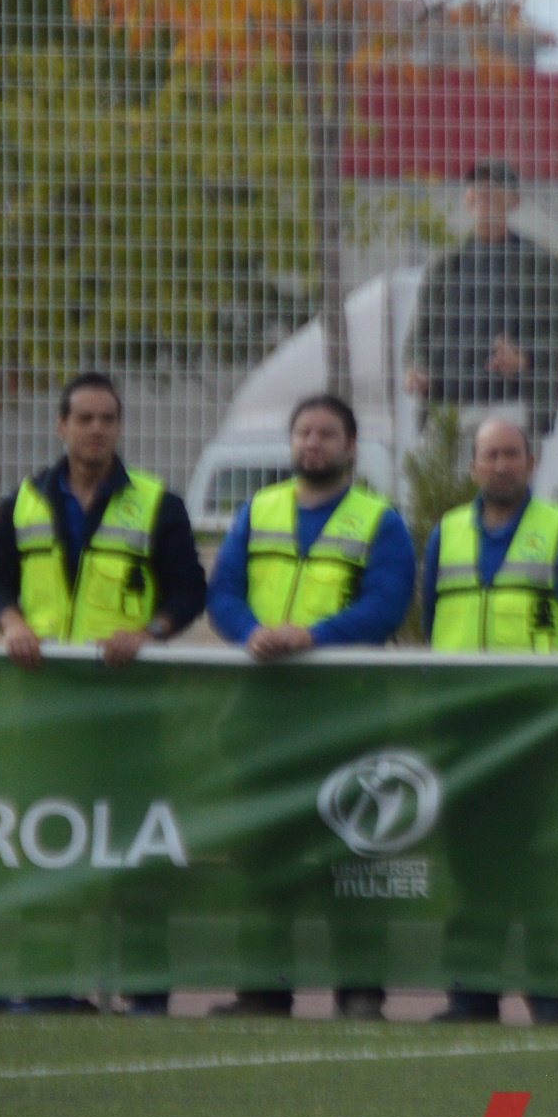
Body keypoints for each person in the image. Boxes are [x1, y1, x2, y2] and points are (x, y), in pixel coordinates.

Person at [0, 370, 207, 1016]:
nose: (97, 428)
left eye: (108, 418)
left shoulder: (158, 504)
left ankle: (145, 994)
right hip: (46, 715)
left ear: (120, 426)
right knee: (48, 854)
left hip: (129, 714)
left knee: (139, 861)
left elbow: (189, 590)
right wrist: (13, 622)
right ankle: (51, 989)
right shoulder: (21, 502)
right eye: (85, 418)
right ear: (62, 425)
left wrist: (152, 630)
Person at [206, 393, 415, 1020]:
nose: (312, 444)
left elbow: (386, 604)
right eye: (303, 433)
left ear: (350, 447)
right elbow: (223, 594)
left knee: (351, 860)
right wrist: (250, 632)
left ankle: (358, 992)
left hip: (347, 713)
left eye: (326, 434)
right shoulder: (258, 511)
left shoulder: (380, 522)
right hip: (265, 714)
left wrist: (313, 638)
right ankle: (263, 991)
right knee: (264, 858)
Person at [423, 416, 558, 1025]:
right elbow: (431, 618)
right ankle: (470, 996)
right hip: (465, 731)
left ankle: (551, 999)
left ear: (531, 463)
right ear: (474, 465)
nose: (501, 464)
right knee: (472, 869)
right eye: (490, 455)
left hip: (541, 734)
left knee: (542, 872)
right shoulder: (446, 534)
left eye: (512, 454)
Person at [403, 159, 558, 441]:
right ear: (467, 199)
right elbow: (420, 333)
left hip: (512, 403)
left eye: (494, 188)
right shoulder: (445, 265)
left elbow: (557, 332)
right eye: (477, 189)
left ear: (514, 201)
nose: (484, 195)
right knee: (448, 486)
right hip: (449, 407)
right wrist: (417, 367)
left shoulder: (539, 264)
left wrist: (524, 357)